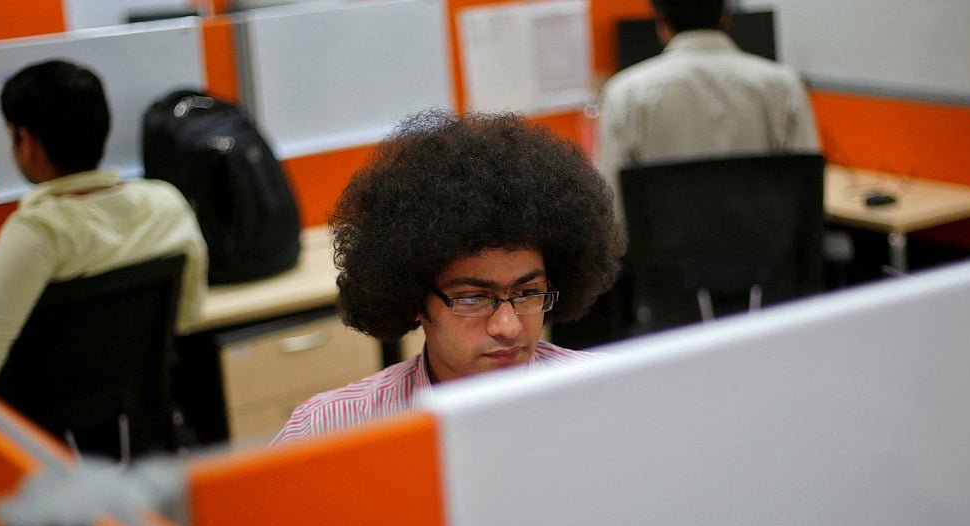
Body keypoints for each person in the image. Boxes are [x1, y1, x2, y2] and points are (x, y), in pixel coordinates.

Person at [272, 109, 625, 444]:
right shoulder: (329, 430)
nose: (508, 327)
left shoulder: (615, 397)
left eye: (527, 293)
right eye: (473, 298)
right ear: (414, 300)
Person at [0, 59, 208, 389]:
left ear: (27, 142)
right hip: (133, 410)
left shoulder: (40, 231)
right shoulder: (165, 203)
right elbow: (187, 316)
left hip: (38, 421)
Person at [597, 0, 821, 218]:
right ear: (726, 16)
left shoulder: (625, 94)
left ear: (661, 20)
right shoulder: (784, 86)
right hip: (766, 242)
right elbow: (807, 191)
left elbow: (612, 207)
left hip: (666, 243)